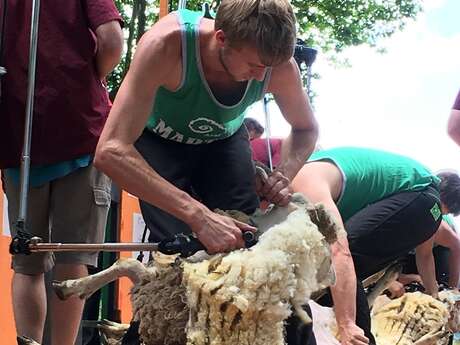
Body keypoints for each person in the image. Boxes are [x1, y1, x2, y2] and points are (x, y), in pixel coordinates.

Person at [94, 0, 318, 255]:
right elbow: (110, 150)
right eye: (254, 65)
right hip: (157, 139)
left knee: (248, 240)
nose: (260, 77)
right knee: (182, 248)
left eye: (268, 68)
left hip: (223, 140)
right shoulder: (166, 46)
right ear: (222, 38)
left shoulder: (279, 68)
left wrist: (284, 174)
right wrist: (197, 214)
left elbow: (306, 129)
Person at [0, 1, 123, 343]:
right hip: (80, 131)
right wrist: (87, 81)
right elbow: (111, 40)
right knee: (73, 257)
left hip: (17, 134)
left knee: (27, 261)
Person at [291, 147, 460, 345]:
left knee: (339, 268)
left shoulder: (304, 186)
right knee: (330, 278)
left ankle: (359, 337)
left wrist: (346, 322)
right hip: (423, 201)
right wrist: (435, 296)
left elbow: (340, 252)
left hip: (425, 200)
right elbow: (424, 256)